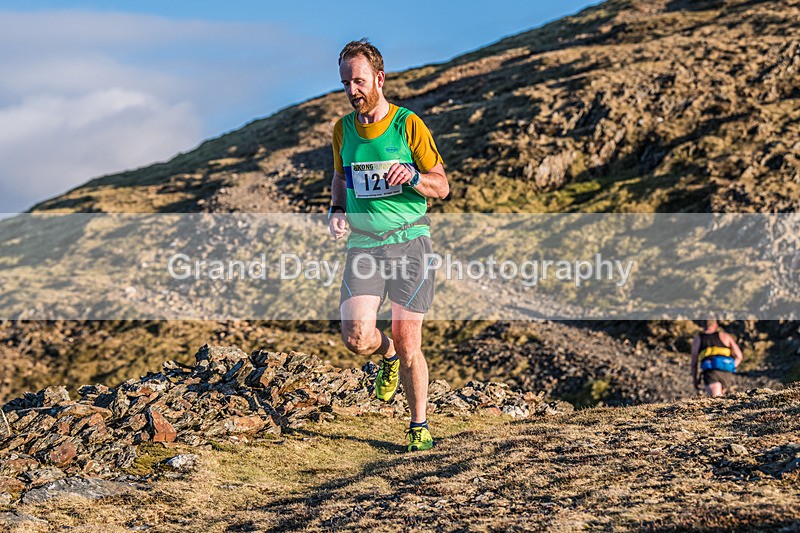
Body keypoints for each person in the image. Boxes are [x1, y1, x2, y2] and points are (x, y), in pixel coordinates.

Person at [327, 39, 449, 451]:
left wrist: (412, 177)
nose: (351, 91)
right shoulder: (342, 130)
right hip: (363, 244)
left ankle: (418, 424)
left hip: (410, 244)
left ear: (379, 78)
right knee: (357, 337)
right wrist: (336, 208)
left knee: (411, 339)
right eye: (345, 83)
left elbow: (442, 186)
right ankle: (388, 355)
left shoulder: (407, 125)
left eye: (358, 81)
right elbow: (342, 177)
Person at [690, 319, 743, 397]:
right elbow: (739, 356)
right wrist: (731, 367)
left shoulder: (698, 339)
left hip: (711, 372)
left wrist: (695, 380)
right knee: (722, 398)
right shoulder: (725, 336)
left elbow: (694, 362)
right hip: (727, 372)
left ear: (703, 326)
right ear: (716, 325)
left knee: (716, 398)